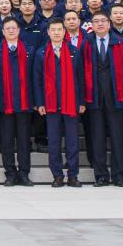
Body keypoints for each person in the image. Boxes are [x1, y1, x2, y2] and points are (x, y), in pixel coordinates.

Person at [83, 11, 123, 187]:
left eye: (103, 21)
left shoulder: (121, 43)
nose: (100, 24)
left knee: (118, 139)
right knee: (97, 139)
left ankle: (119, 176)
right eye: (96, 21)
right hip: (95, 98)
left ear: (109, 23)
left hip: (116, 97)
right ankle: (101, 175)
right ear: (92, 25)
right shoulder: (86, 44)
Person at [37, 19, 86, 189]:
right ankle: (57, 175)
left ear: (64, 32)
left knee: (72, 142)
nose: (57, 32)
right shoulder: (41, 53)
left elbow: (80, 78)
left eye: (59, 29)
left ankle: (73, 175)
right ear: (48, 32)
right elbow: (37, 81)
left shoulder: (74, 51)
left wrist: (81, 101)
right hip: (51, 103)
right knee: (54, 142)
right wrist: (39, 102)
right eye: (53, 30)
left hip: (71, 102)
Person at [0, 16, 36, 186]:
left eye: (14, 28)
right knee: (7, 140)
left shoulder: (29, 50)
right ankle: (10, 173)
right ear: (3, 32)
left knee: (24, 140)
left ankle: (24, 173)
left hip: (24, 103)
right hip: (5, 104)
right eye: (7, 28)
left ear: (19, 30)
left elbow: (33, 76)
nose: (11, 31)